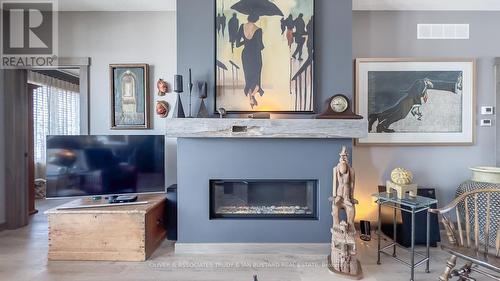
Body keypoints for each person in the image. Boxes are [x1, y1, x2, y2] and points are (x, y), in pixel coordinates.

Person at [235, 13, 265, 109]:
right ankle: (252, 96)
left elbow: (237, 44)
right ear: (256, 18)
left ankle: (251, 98)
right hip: (255, 55)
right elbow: (260, 46)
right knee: (256, 77)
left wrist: (246, 41)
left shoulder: (242, 27)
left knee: (248, 77)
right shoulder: (258, 30)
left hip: (246, 54)